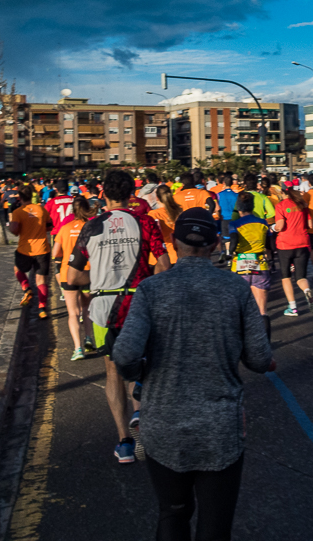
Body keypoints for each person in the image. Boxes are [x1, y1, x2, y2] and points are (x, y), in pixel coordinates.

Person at [112, 208, 272, 541]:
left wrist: (138, 374)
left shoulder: (152, 290)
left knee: (172, 513)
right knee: (215, 526)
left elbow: (125, 353)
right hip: (220, 427)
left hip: (163, 424)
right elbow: (259, 358)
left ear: (174, 242)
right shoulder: (236, 289)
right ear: (215, 244)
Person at [67, 169, 171, 464]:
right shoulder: (145, 222)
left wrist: (99, 278)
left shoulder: (91, 226)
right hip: (139, 303)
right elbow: (163, 266)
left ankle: (125, 441)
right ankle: (141, 415)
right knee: (143, 367)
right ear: (130, 194)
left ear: (103, 194)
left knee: (113, 371)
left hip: (103, 308)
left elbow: (73, 277)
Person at [52, 196, 96, 360]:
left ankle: (78, 349)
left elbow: (55, 253)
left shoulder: (65, 228)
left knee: (72, 313)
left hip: (67, 273)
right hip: (87, 272)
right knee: (87, 309)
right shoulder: (91, 227)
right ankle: (89, 338)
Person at [228, 192, 274, 339]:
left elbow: (234, 241)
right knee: (262, 311)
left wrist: (229, 253)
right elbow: (269, 245)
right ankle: (265, 344)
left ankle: (241, 342)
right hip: (260, 265)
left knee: (239, 309)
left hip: (240, 266)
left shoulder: (234, 224)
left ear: (239, 209)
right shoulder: (263, 223)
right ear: (253, 206)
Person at [274, 185, 313, 316]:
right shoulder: (303, 205)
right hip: (303, 243)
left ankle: (293, 307)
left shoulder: (281, 205)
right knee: (300, 277)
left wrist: (274, 228)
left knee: (286, 276)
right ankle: (307, 291)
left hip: (285, 244)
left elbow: (280, 226)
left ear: (283, 193)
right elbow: (310, 225)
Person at [9, 185, 53, 319]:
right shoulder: (41, 209)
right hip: (42, 249)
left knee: (17, 268)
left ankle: (26, 287)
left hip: (25, 250)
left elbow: (14, 231)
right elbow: (50, 226)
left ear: (20, 197)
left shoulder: (18, 212)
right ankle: (42, 309)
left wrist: (12, 220)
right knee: (41, 280)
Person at [149, 184, 181, 264]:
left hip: (159, 258)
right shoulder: (179, 211)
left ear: (157, 198)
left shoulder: (154, 214)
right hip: (177, 255)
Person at [215, 175, 240, 243]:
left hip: (224, 218)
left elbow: (217, 208)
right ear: (232, 183)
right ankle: (233, 252)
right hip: (234, 218)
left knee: (226, 238)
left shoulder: (218, 195)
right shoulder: (237, 195)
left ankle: (228, 252)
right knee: (234, 237)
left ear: (223, 183)